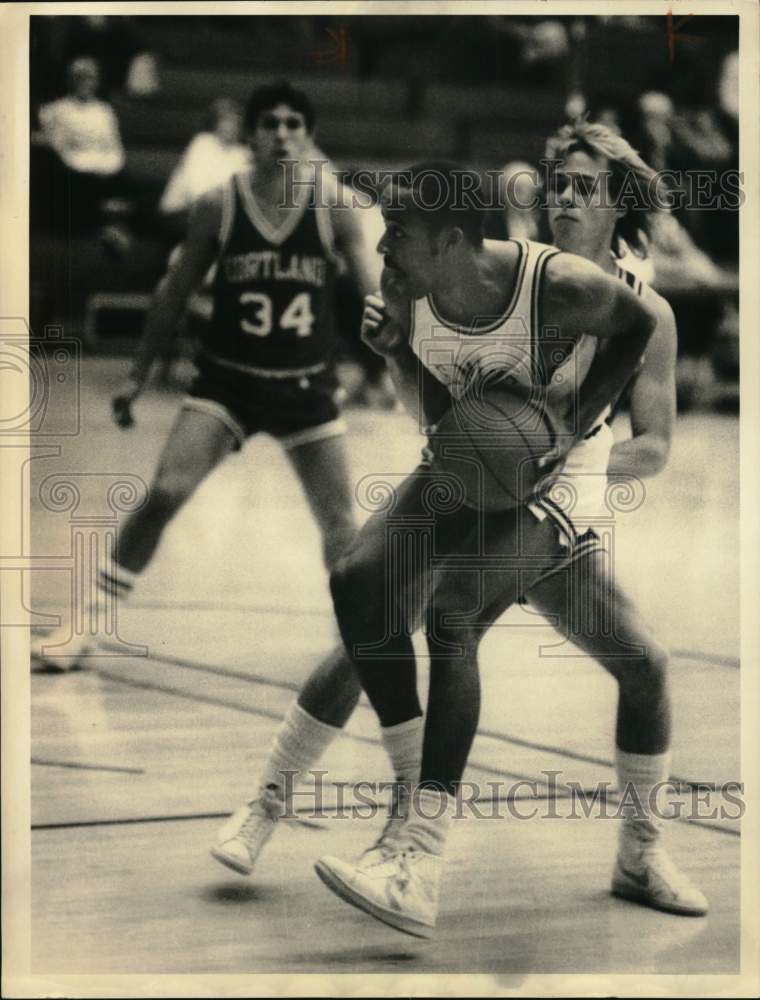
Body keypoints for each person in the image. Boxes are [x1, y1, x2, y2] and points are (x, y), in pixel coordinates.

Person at [211, 148, 699, 930]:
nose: (564, 199)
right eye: (558, 185)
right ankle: (278, 804)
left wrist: (557, 455)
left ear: (620, 205)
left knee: (639, 663)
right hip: (485, 481)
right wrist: (412, 366)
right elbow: (438, 415)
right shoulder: (462, 278)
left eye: (586, 188)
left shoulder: (633, 306)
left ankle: (638, 851)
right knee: (367, 613)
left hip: (560, 494)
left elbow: (654, 445)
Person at [31, 81, 380, 671]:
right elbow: (175, 292)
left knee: (340, 523)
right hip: (229, 381)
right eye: (270, 123)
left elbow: (373, 296)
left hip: (305, 386)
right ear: (250, 134)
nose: (282, 134)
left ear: (309, 135)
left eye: (295, 123)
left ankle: (366, 641)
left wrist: (405, 359)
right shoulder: (219, 203)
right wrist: (137, 375)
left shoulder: (334, 205)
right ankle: (84, 624)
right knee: (165, 492)